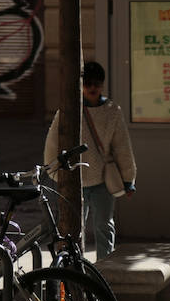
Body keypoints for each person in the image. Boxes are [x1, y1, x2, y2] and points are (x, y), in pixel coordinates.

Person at [43, 61, 137, 256]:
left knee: (104, 226)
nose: (93, 88)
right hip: (75, 180)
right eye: (88, 84)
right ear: (81, 85)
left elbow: (122, 146)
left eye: (97, 83)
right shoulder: (68, 111)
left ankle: (105, 270)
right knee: (74, 230)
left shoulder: (112, 111)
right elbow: (53, 143)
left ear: (102, 84)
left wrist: (128, 179)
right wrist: (54, 170)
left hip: (103, 180)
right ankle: (76, 271)